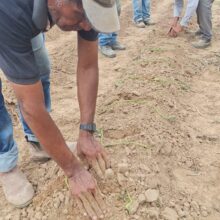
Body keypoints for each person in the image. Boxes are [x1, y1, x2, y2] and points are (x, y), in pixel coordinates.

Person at [0, 0, 120, 219]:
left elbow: (88, 65)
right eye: (83, 14)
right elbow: (30, 106)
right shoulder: (12, 10)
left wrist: (87, 131)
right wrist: (73, 169)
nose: (86, 26)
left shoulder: (84, 13)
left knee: (39, 66)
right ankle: (5, 162)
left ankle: (37, 143)